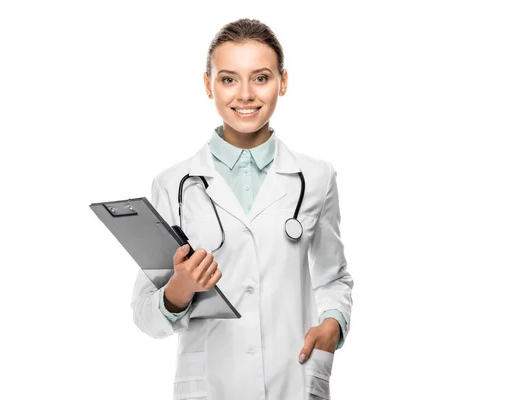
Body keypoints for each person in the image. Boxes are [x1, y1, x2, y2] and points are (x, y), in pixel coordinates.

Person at [131, 18, 354, 400]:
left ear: (283, 82)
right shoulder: (173, 183)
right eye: (229, 79)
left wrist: (333, 323)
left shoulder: (316, 177)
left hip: (293, 378)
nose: (246, 94)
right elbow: (144, 315)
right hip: (210, 384)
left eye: (261, 78)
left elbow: (332, 277)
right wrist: (179, 291)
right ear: (208, 85)